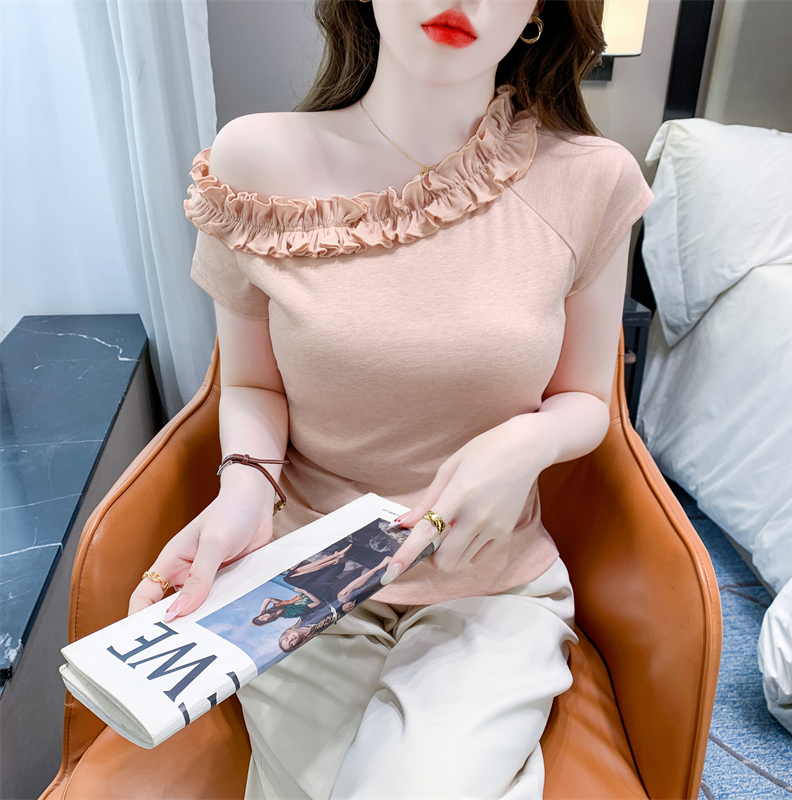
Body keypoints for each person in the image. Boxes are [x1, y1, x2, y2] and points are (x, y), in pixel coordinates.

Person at [129, 1, 654, 797]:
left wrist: (527, 442)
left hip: (490, 584)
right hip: (301, 580)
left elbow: (585, 397)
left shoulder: (591, 177)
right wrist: (245, 489)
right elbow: (251, 382)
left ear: (540, 12)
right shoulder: (255, 159)